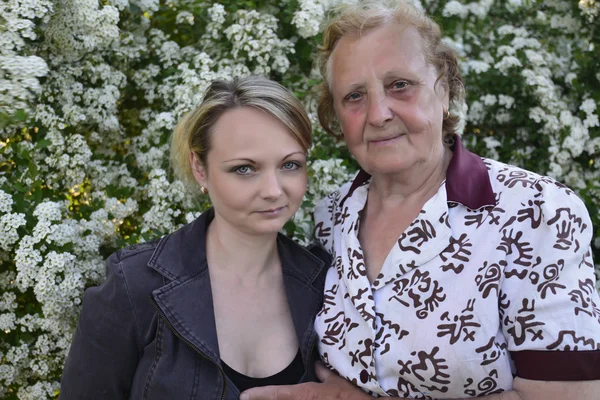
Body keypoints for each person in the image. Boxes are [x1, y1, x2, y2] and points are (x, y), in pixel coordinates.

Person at [240, 1, 600, 399]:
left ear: (443, 90)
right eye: (354, 96)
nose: (378, 114)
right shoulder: (332, 216)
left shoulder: (535, 212)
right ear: (337, 116)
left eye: (400, 85)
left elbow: (569, 394)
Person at [60, 76, 330, 399]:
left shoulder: (328, 283)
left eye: (290, 164)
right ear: (200, 168)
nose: (273, 191)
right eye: (244, 169)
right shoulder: (133, 287)